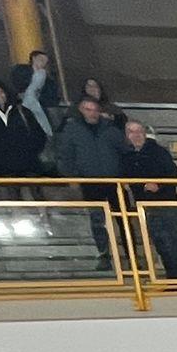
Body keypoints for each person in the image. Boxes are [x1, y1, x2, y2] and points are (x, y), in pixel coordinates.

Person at [52, 97, 125, 270]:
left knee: (123, 218)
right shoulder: (72, 130)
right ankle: (104, 255)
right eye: (88, 109)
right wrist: (72, 177)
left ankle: (132, 254)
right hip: (90, 181)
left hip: (114, 181)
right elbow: (66, 155)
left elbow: (124, 151)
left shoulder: (111, 129)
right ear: (80, 110)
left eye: (94, 109)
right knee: (97, 219)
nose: (92, 113)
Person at [118, 118, 177, 279]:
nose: (136, 135)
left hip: (164, 204)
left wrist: (158, 185)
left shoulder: (159, 152)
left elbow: (176, 176)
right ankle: (174, 278)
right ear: (126, 135)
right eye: (131, 132)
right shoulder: (126, 156)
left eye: (139, 131)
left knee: (170, 244)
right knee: (161, 244)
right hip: (145, 206)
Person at [0, 78, 43, 196]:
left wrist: (32, 151)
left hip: (28, 163)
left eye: (1, 91)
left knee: (36, 197)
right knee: (13, 199)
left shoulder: (20, 110)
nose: (0, 95)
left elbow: (37, 132)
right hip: (5, 168)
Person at [8, 49, 60, 139]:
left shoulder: (45, 76)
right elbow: (17, 84)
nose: (43, 63)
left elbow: (49, 93)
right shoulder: (21, 70)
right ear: (34, 58)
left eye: (45, 61)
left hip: (39, 102)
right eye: (41, 59)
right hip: (24, 100)